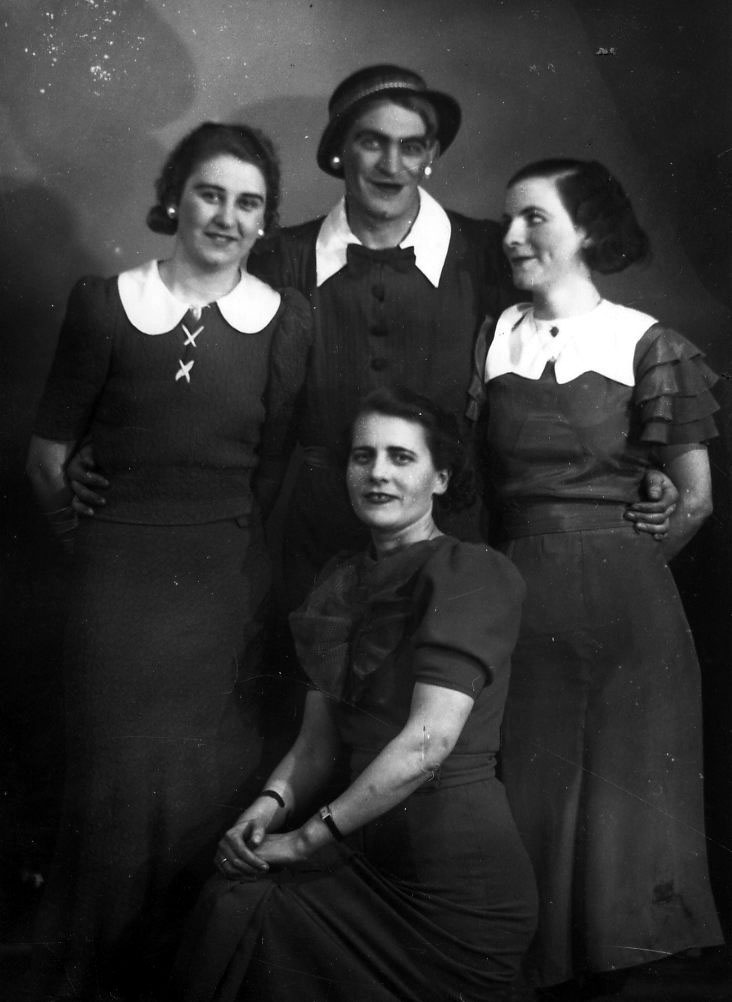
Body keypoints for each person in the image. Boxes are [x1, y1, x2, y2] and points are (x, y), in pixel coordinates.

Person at [67, 65, 677, 609]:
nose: (391, 165)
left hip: (456, 531)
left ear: (430, 155)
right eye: (372, 142)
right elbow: (214, 366)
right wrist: (131, 445)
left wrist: (634, 469)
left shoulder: (490, 254)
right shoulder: (280, 258)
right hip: (318, 533)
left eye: (411, 146)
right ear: (339, 152)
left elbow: (559, 361)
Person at [25, 122, 312, 1000]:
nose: (227, 217)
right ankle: (95, 972)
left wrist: (227, 556)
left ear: (265, 220)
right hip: (113, 581)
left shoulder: (284, 321)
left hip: (221, 581)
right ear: (175, 199)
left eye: (248, 203)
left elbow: (274, 469)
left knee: (201, 772)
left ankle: (177, 973)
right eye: (209, 194)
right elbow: (47, 456)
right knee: (112, 771)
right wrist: (95, 544)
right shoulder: (105, 304)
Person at [170, 387, 538, 1002]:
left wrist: (302, 840)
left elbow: (426, 746)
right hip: (364, 856)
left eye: (401, 457)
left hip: (453, 882)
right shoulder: (341, 580)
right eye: (363, 456)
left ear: (441, 478)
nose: (377, 473)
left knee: (242, 915)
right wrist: (265, 810)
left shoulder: (470, 571)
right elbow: (316, 747)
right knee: (233, 904)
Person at [471, 158, 723, 996]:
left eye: (534, 219)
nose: (513, 237)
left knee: (630, 824)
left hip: (630, 616)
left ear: (587, 230)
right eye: (509, 221)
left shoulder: (645, 341)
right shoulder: (492, 337)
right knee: (531, 800)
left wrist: (619, 565)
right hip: (522, 598)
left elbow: (695, 498)